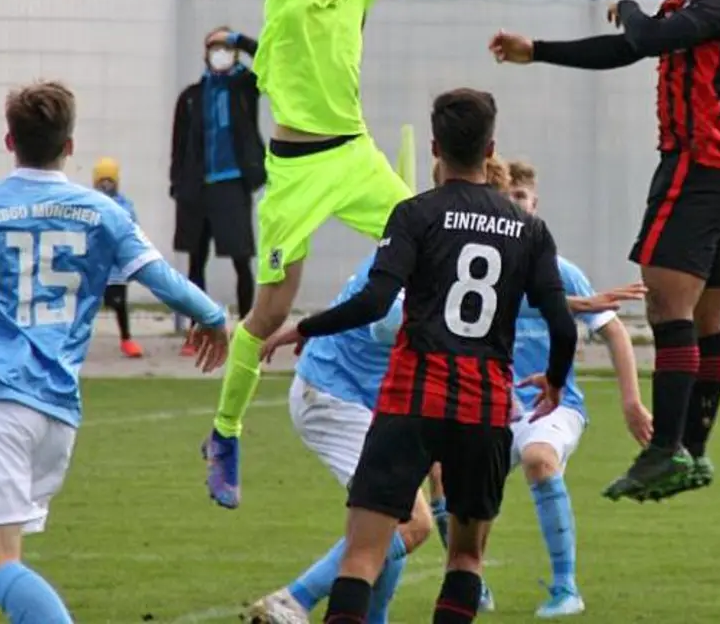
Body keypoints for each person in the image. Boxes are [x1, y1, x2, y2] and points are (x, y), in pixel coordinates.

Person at [203, 0, 545, 510]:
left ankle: (435, 399)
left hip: (354, 156)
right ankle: (225, 432)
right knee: (269, 312)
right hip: (297, 171)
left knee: (441, 245)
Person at [260, 89, 636, 624]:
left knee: (363, 554)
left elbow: (373, 302)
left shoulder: (414, 215)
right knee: (465, 558)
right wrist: (555, 381)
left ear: (435, 148)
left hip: (411, 401)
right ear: (491, 148)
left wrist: (304, 327)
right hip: (481, 410)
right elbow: (560, 323)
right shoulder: (529, 230)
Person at [0, 80, 230, 624]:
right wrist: (213, 317)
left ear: (9, 141)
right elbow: (162, 278)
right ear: (69, 146)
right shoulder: (102, 212)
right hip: (58, 413)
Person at [488, 0, 720, 501]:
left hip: (694, 173)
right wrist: (539, 50)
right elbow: (628, 48)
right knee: (704, 321)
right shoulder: (697, 10)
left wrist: (629, 7)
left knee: (667, 309)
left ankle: (665, 450)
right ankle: (691, 452)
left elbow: (644, 35)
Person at [246, 156, 512, 624]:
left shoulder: (439, 242)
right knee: (410, 522)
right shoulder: (429, 244)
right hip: (334, 394)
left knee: (388, 517)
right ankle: (292, 600)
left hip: (369, 398)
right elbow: (385, 320)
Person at [427, 159, 652, 617]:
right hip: (489, 403)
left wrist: (631, 401)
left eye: (520, 198)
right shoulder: (478, 266)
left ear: (535, 204)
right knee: (445, 478)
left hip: (552, 405)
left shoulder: (560, 269)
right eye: (505, 198)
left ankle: (566, 588)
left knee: (538, 458)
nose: (513, 206)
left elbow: (613, 332)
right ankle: (469, 581)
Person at [170, 27, 264, 344]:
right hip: (197, 188)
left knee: (241, 259)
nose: (220, 52)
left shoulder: (245, 87)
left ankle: (247, 329)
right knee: (196, 260)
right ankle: (199, 328)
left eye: (226, 46)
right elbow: (179, 146)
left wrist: (240, 40)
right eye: (214, 47)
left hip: (232, 184)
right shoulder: (191, 97)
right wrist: (177, 184)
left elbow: (269, 59)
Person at [93, 156, 143, 358]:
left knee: (119, 304)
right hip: (94, 267)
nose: (106, 185)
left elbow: (133, 232)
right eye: (102, 181)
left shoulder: (125, 206)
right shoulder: (89, 203)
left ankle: (126, 339)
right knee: (85, 306)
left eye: (110, 181)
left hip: (116, 270)